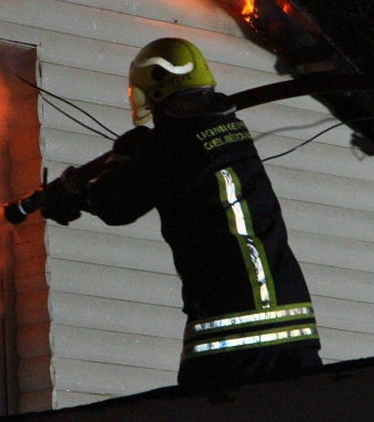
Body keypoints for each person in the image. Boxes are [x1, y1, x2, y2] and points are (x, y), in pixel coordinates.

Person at [42, 37, 322, 390]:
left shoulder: (168, 146)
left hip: (233, 324)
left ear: (153, 90)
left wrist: (77, 189)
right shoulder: (232, 132)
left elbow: (115, 205)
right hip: (293, 320)